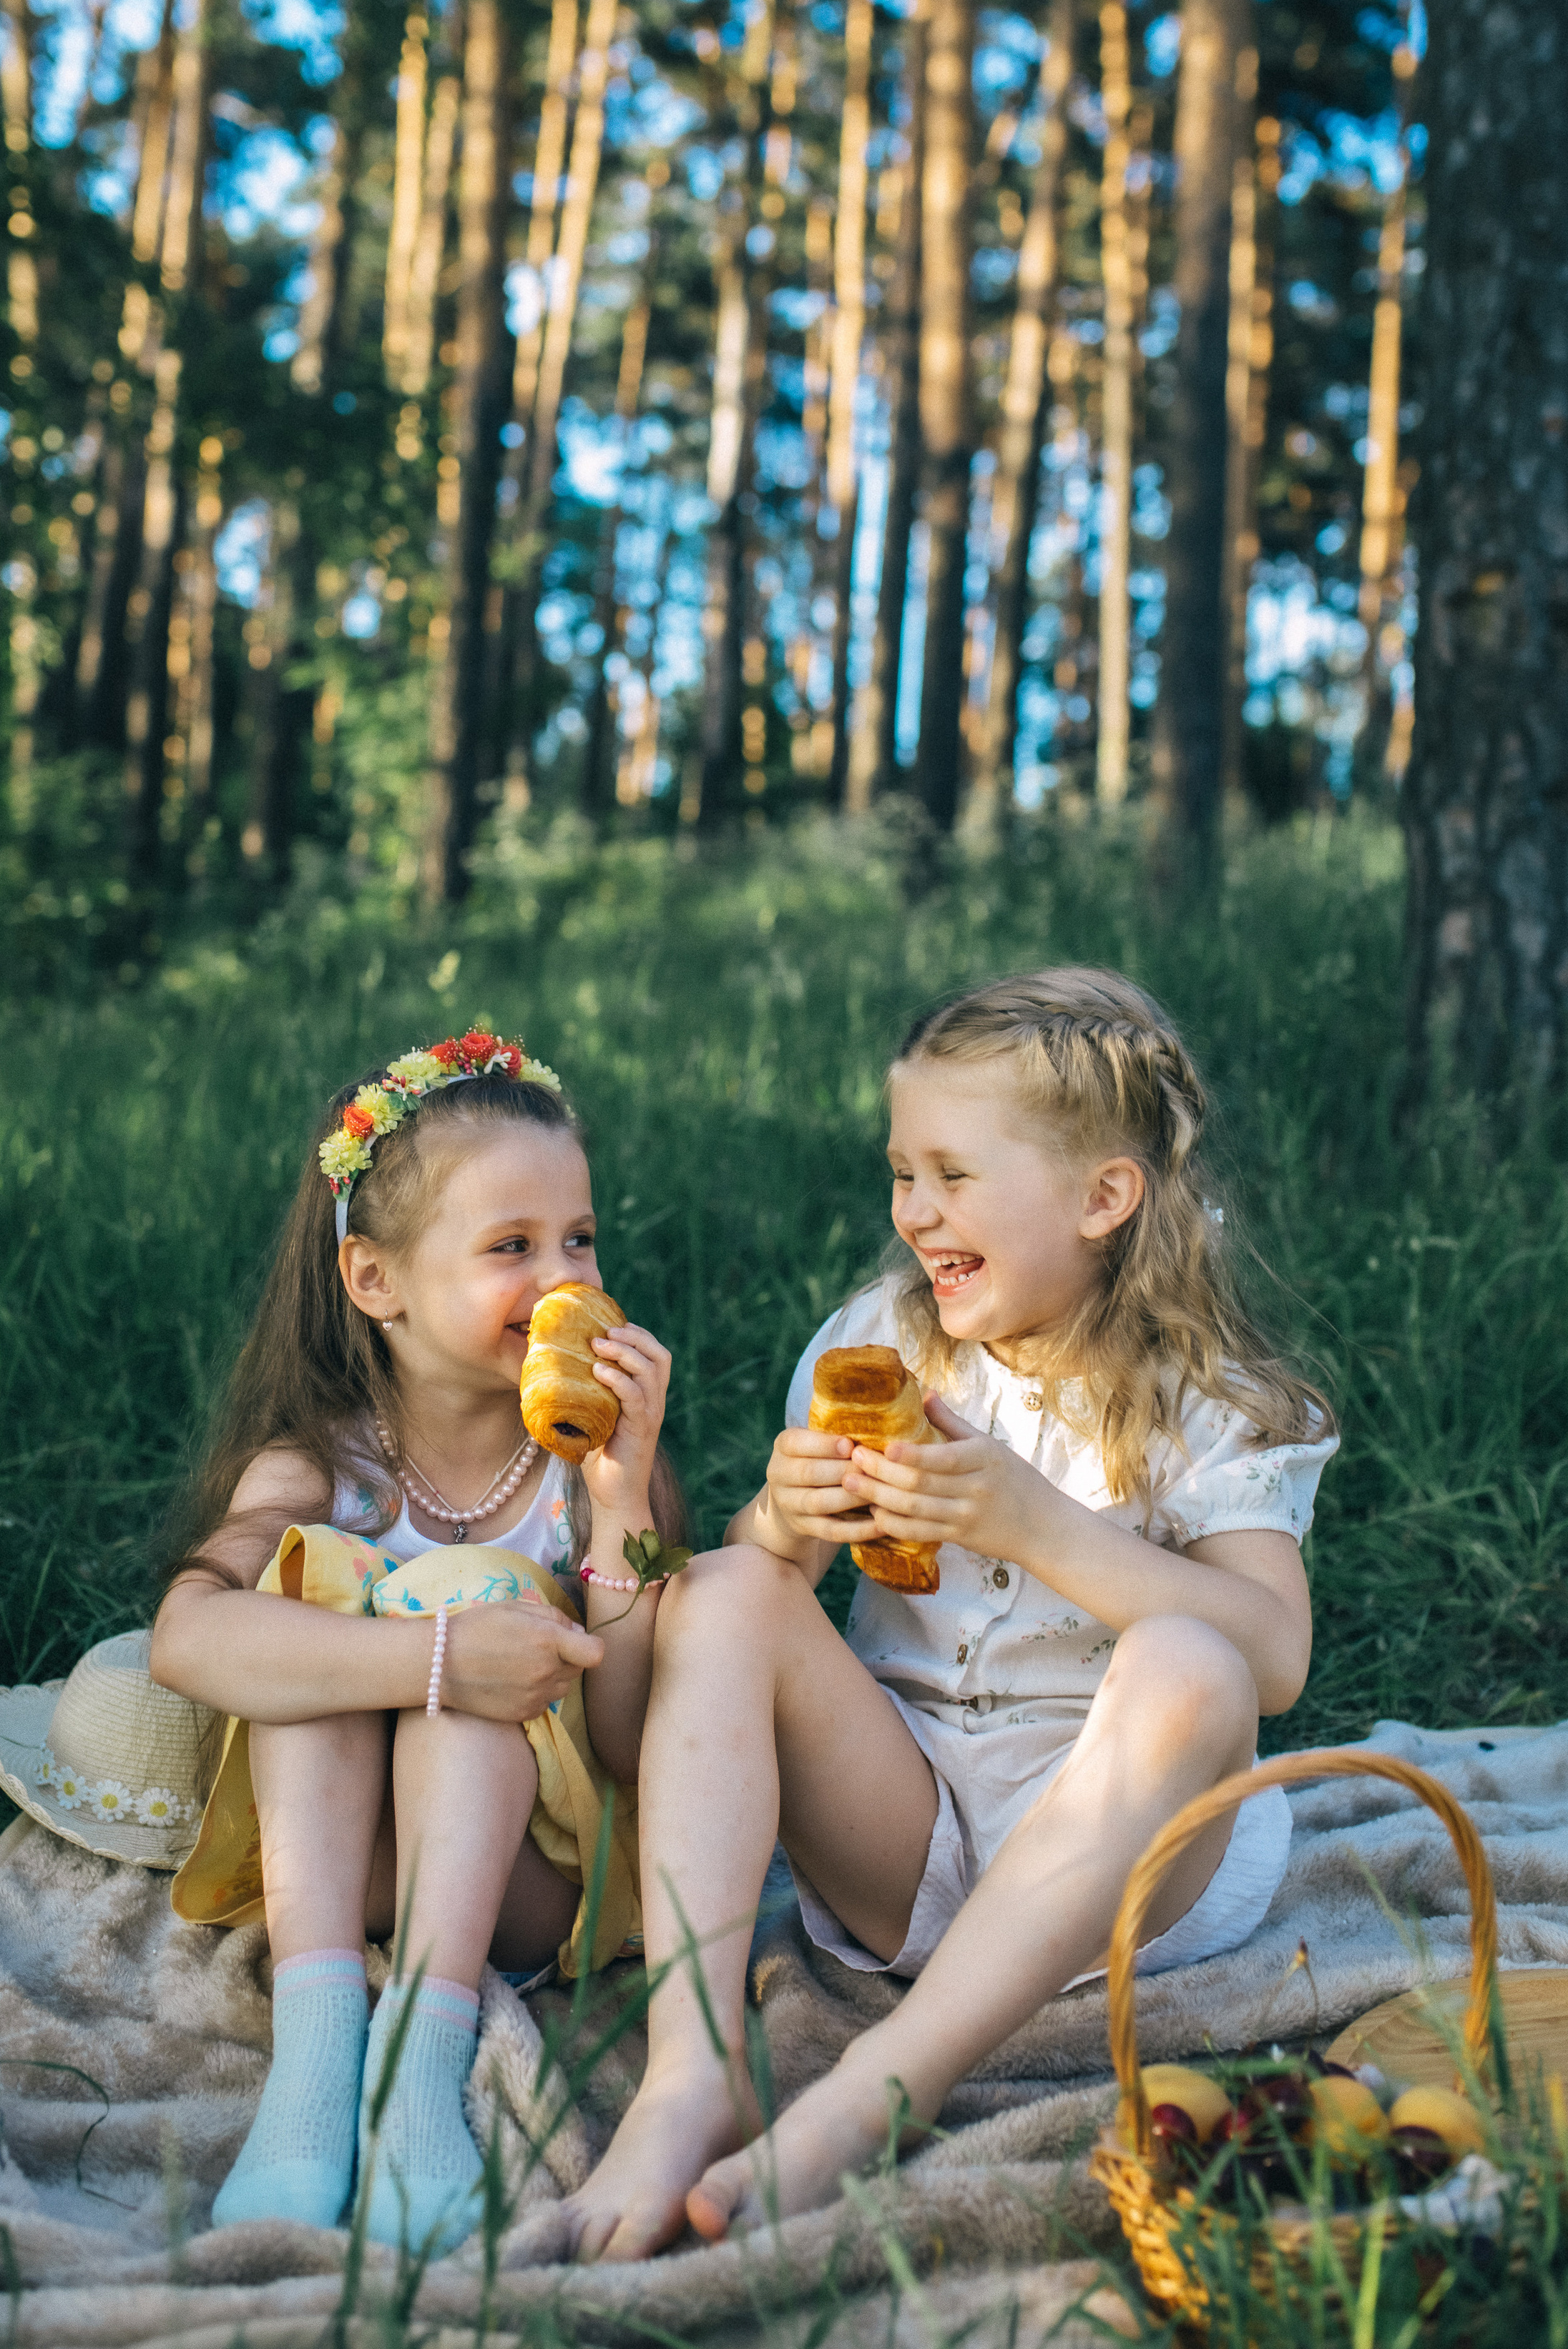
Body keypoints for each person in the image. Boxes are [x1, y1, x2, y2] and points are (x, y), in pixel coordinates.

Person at [564, 967, 1336, 2262]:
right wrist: (784, 1527)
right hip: (902, 1827)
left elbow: (1276, 1659)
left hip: (1125, 1868)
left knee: (1192, 1663)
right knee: (727, 1584)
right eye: (899, 1171)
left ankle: (881, 2091)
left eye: (953, 1174)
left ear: (1104, 1197)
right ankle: (692, 2067)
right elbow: (742, 1626)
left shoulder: (1215, 1392)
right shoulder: (876, 1345)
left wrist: (1039, 1524)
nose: (912, 1210)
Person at [148, 1029, 677, 2255]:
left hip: (524, 1882)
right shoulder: (317, 1465)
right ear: (375, 1281)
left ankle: (424, 2070)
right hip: (340, 1864)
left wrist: (627, 1500)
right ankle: (319, 2058)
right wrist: (438, 1659)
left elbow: (631, 1738)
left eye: (580, 1239)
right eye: (511, 1248)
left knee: (475, 1580)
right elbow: (184, 1638)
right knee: (306, 1591)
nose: (564, 1280)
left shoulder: (580, 1469)